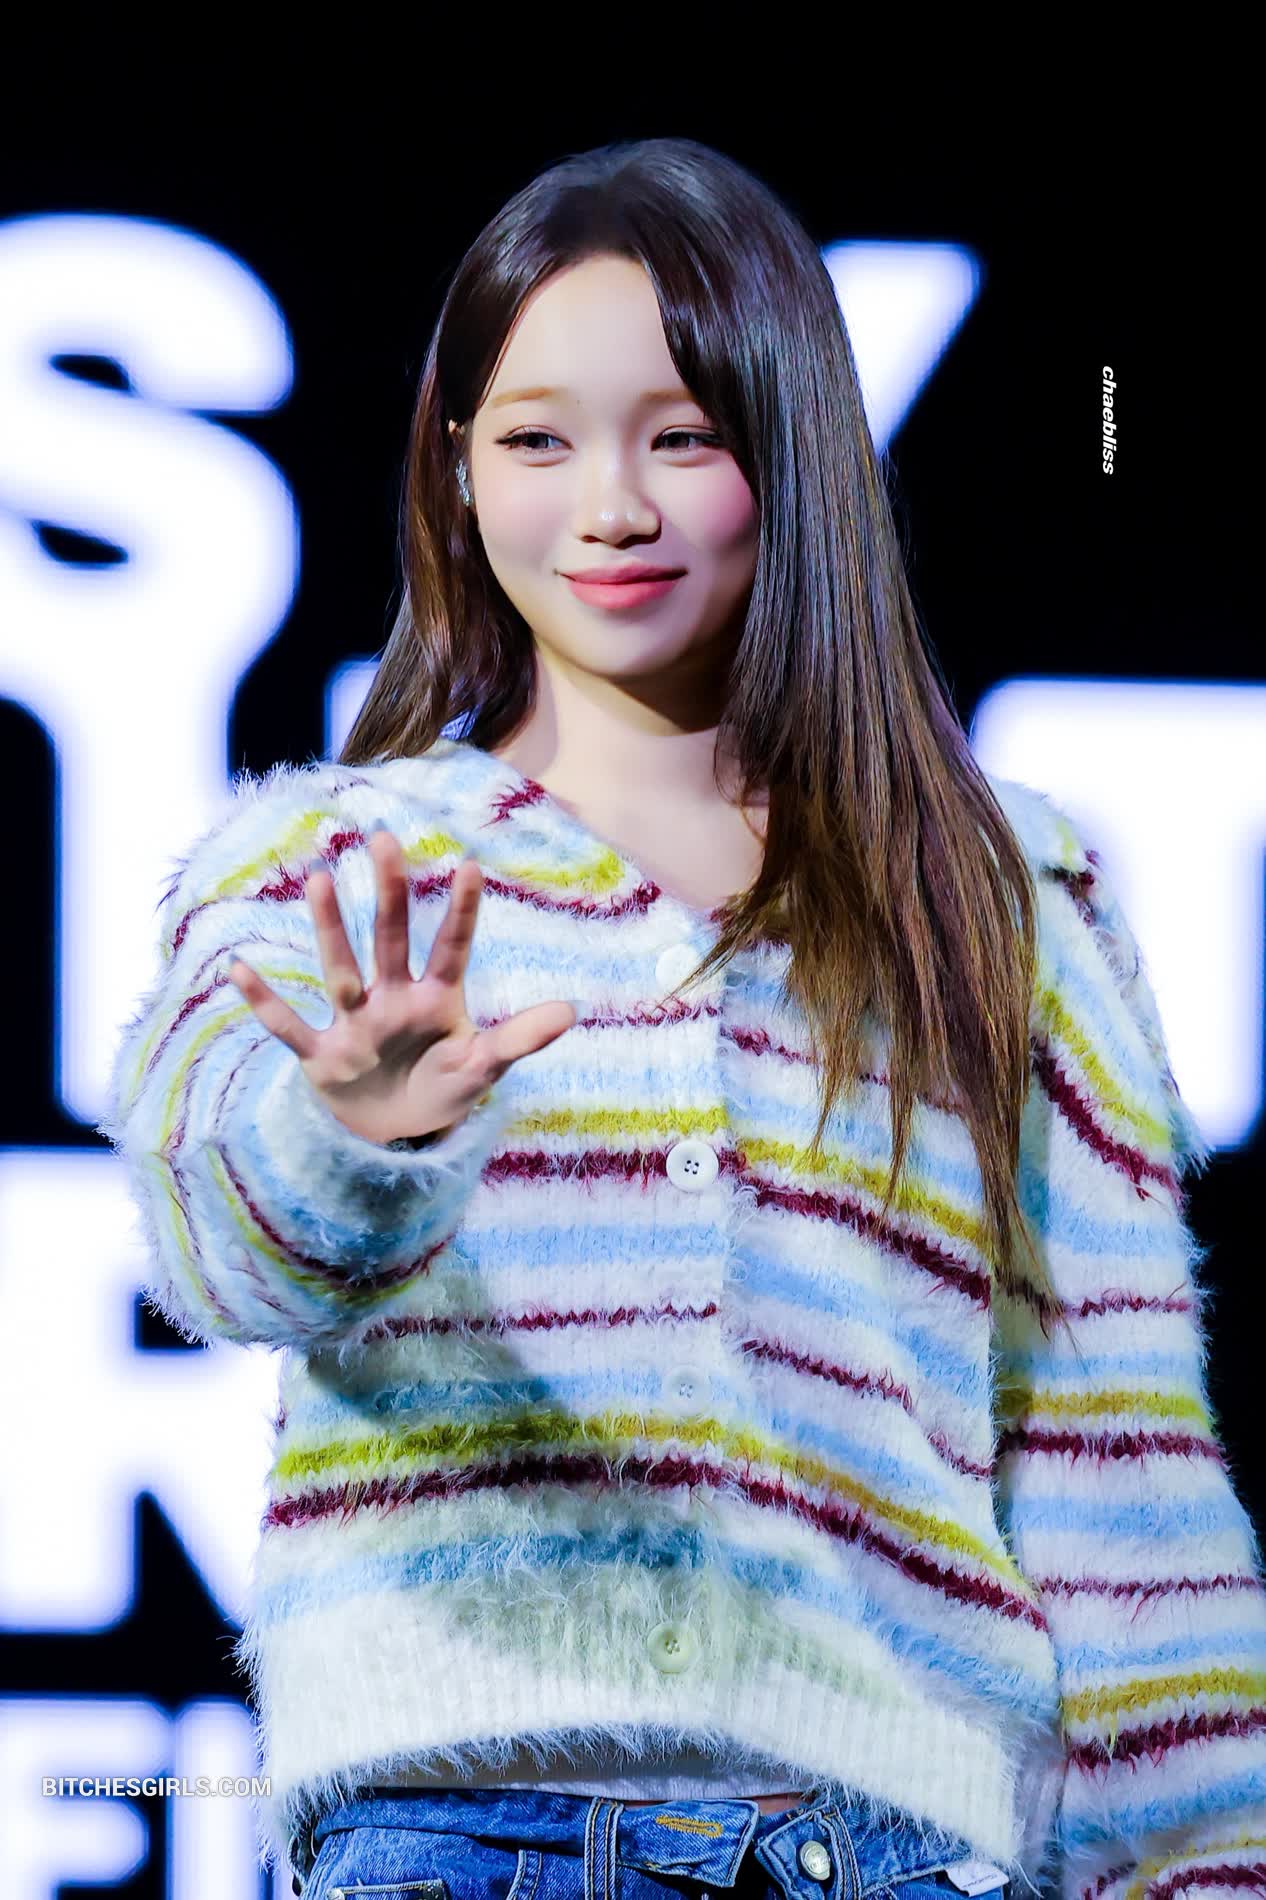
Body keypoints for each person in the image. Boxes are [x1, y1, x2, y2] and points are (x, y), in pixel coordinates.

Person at [100, 138, 1266, 1900]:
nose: (611, 507)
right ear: (454, 469)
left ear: (791, 451)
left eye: (684, 436)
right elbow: (216, 1235)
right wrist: (349, 1141)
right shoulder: (325, 864)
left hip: (878, 1853)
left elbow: (1118, 1475)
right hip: (448, 1840)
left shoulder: (1003, 898)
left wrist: (1198, 1863)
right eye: (537, 440)